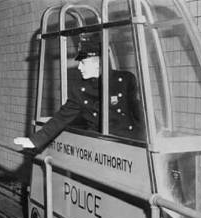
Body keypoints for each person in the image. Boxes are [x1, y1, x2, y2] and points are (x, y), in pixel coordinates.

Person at [14, 32, 143, 151]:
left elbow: (139, 110)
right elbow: (62, 117)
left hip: (129, 143)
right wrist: (34, 140)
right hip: (102, 148)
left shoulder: (125, 80)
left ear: (98, 64)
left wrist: (159, 132)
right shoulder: (79, 90)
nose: (79, 67)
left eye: (83, 63)